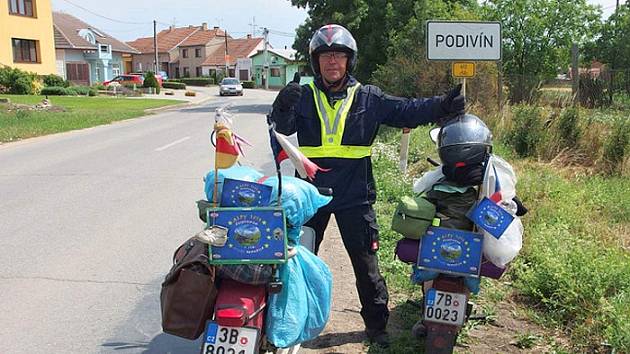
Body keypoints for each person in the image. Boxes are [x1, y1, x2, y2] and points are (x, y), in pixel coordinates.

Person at [268, 24, 465, 347]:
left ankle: (376, 327)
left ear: (349, 61)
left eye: (339, 56)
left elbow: (406, 111)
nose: (332, 62)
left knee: (366, 266)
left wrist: (442, 105)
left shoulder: (369, 97)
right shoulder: (302, 96)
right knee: (294, 261)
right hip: (310, 195)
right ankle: (287, 324)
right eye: (326, 56)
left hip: (354, 196)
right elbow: (282, 127)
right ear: (315, 61)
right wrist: (283, 105)